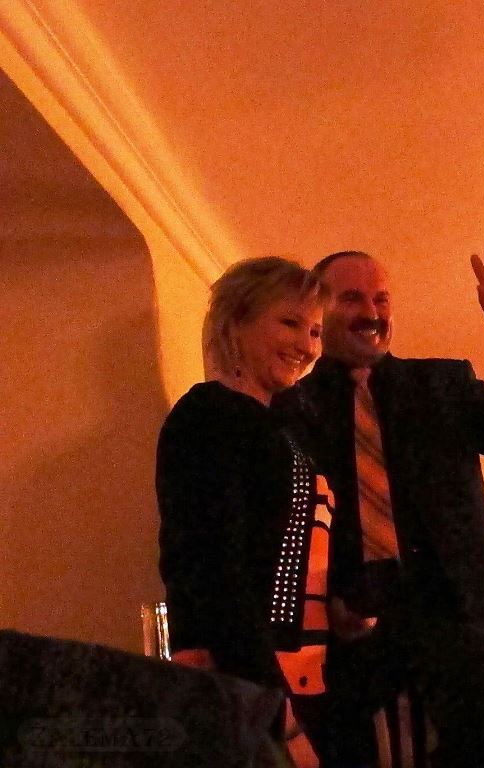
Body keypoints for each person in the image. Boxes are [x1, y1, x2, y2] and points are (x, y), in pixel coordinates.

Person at [273, 243, 484, 766]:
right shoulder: (286, 409)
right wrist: (321, 601)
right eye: (352, 298)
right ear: (316, 312)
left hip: (463, 621)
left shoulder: (442, 384)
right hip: (345, 639)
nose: (372, 312)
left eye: (382, 299)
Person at [155, 256, 331, 768]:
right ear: (236, 322)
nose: (307, 345)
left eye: (315, 331)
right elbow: (210, 569)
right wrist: (277, 712)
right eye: (290, 322)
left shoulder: (281, 429)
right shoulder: (209, 416)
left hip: (298, 676)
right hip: (245, 681)